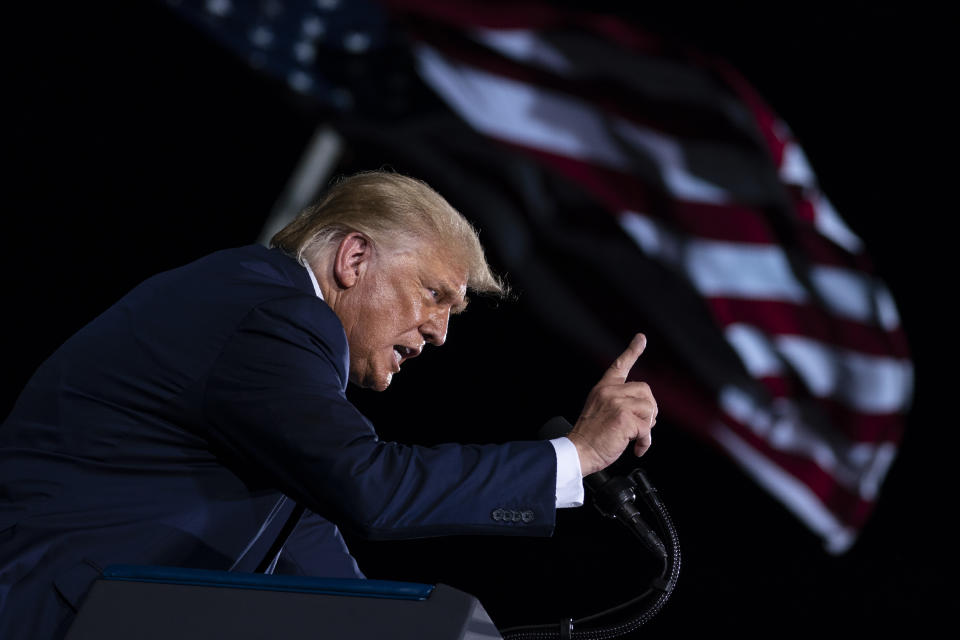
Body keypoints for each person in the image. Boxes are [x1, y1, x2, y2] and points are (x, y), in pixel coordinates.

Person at [0, 171, 657, 639]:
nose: (440, 332)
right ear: (354, 256)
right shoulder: (273, 311)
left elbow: (324, 577)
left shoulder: (272, 384)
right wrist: (572, 457)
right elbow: (372, 487)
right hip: (42, 610)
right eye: (433, 294)